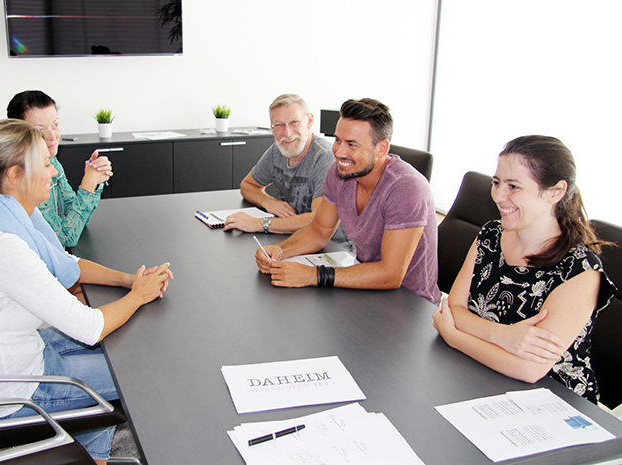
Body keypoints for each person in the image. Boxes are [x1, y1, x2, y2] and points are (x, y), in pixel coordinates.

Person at [0, 119, 173, 464]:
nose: (53, 172)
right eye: (46, 163)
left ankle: (91, 457)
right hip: (12, 392)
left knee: (126, 348)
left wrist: (129, 281)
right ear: (15, 175)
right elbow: (90, 327)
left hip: (14, 357)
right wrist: (139, 295)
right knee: (140, 372)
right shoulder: (5, 247)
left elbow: (67, 263)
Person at [432, 135, 616, 404]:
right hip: (480, 374)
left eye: (514, 186)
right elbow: (454, 310)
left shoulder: (580, 270)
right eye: (496, 182)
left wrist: (453, 335)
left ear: (555, 192)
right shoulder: (491, 235)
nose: (498, 195)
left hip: (551, 401)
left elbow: (529, 369)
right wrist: (504, 336)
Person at [255, 98, 440, 305]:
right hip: (362, 287)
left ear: (381, 148)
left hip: (408, 304)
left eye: (352, 144)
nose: (339, 152)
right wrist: (280, 250)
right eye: (338, 140)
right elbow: (319, 231)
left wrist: (312, 275)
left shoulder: (406, 187)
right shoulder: (339, 173)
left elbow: (391, 274)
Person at [223, 94, 349, 248]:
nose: (287, 133)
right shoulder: (278, 150)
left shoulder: (325, 157)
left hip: (332, 247)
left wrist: (260, 223)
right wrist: (269, 202)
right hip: (293, 237)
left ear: (309, 121)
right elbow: (248, 185)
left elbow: (318, 220)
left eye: (294, 123)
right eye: (279, 125)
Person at [7, 90, 112, 247]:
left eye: (55, 125)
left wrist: (94, 181)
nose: (52, 136)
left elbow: (76, 219)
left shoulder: (52, 161)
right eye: (39, 130)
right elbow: (66, 237)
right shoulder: (25, 177)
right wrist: (88, 185)